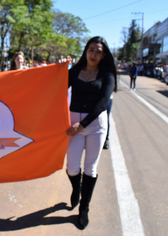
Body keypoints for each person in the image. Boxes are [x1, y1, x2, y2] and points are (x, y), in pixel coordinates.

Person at [60, 36, 117, 229]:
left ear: (103, 55)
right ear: (86, 51)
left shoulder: (107, 75)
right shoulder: (74, 71)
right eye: (91, 50)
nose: (94, 54)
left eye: (98, 51)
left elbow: (103, 103)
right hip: (73, 125)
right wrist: (59, 68)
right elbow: (56, 87)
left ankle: (84, 207)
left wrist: (83, 124)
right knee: (72, 168)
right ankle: (78, 188)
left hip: (95, 125)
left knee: (90, 168)